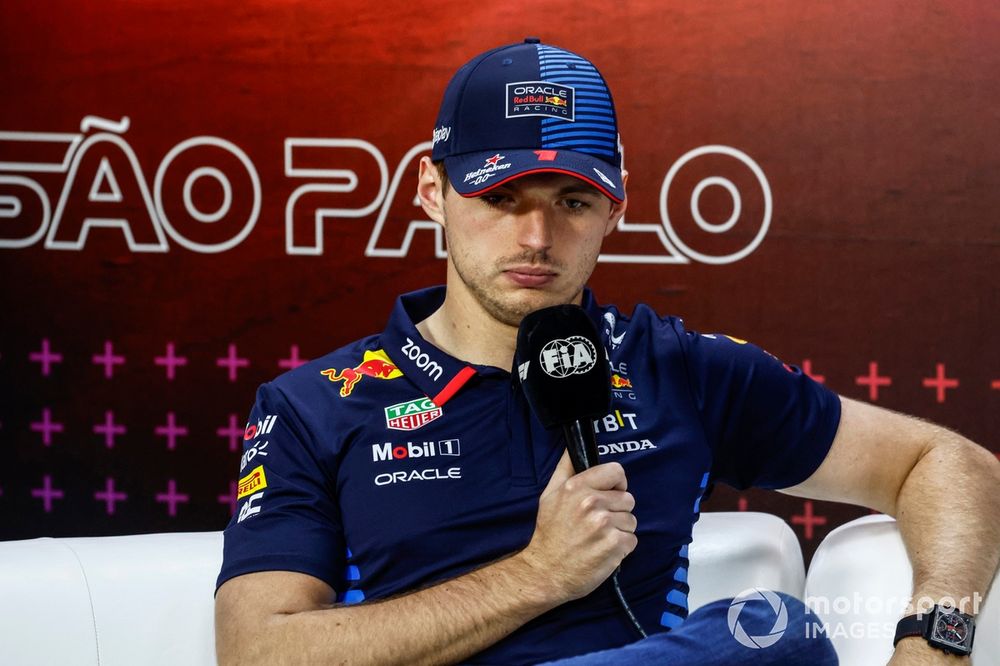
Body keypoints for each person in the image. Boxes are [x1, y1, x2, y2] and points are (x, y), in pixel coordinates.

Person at [214, 39, 999, 665]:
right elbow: (257, 651)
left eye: (573, 202)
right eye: (499, 197)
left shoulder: (675, 366)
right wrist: (537, 576)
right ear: (431, 191)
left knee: (768, 633)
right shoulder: (316, 404)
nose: (535, 238)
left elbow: (952, 465)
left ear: (617, 206)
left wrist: (937, 641)